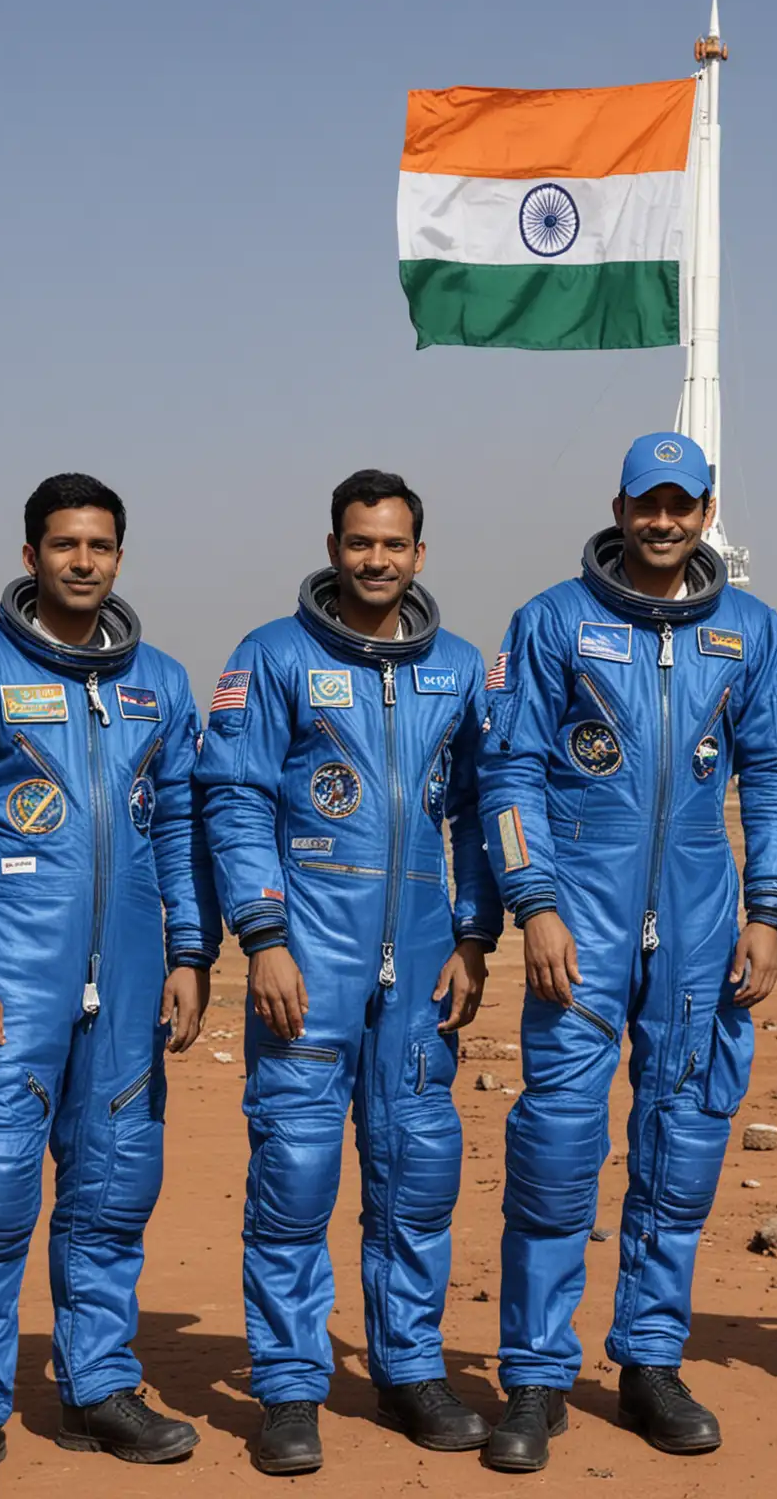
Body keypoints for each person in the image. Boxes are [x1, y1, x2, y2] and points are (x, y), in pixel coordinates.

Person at [475, 431, 777, 1473]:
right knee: (558, 1147)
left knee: (684, 1142)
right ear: (619, 509)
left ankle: (651, 1360)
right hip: (577, 921)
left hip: (703, 922)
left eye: (682, 504)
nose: (664, 521)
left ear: (708, 513)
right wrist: (532, 903)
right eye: (646, 503)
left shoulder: (748, 631)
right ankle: (534, 1376)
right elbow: (508, 775)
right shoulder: (552, 622)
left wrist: (768, 912)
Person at [0, 475, 221, 1498]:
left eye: (102, 546)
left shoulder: (157, 683)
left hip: (127, 989)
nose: (84, 561)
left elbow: (178, 826)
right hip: (10, 985)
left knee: (113, 1195)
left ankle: (97, 1386)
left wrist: (188, 953)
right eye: (65, 545)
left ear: (120, 557)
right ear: (30, 554)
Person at [194, 470, 500, 1476]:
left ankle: (410, 1367)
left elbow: (479, 816)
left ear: (421, 552)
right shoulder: (273, 658)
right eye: (359, 542)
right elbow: (234, 802)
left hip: (417, 971)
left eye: (394, 544)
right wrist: (262, 935)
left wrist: (471, 937)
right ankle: (288, 1388)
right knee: (294, 1175)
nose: (377, 560)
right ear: (334, 547)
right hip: (305, 965)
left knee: (417, 1176)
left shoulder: (458, 669)